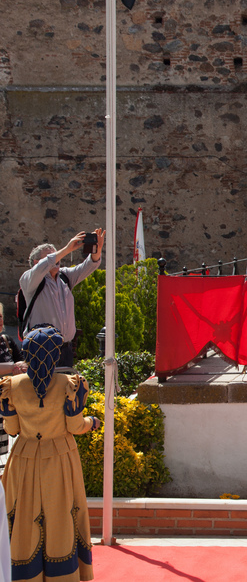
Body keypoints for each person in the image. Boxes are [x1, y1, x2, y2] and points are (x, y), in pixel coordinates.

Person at [1, 326, 101, 581]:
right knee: (61, 515)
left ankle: (25, 574)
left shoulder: (11, 386)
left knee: (23, 515)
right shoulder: (69, 385)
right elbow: (75, 427)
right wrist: (93, 421)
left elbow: (11, 429)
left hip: (24, 457)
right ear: (55, 355)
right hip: (59, 457)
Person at [18, 230, 104, 368]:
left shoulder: (64, 276)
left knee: (64, 389)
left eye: (57, 254)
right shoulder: (29, 279)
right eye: (52, 256)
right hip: (40, 349)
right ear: (36, 262)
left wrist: (96, 251)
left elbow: (89, 266)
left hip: (65, 349)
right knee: (43, 389)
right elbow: (43, 266)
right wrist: (67, 249)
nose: (57, 258)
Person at [0, 305, 28, 376]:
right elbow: (16, 365)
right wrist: (13, 367)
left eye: (0, 316)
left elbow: (21, 360)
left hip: (10, 385)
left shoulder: (6, 340)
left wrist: (21, 367)